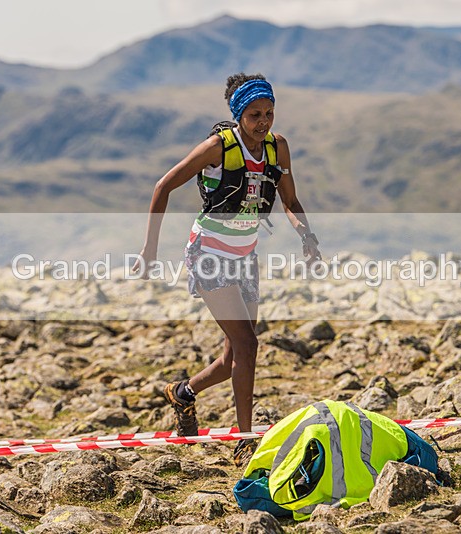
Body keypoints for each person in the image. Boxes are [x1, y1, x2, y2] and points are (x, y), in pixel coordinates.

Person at [133, 73, 321, 467]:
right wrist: (149, 250)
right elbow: (163, 186)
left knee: (233, 357)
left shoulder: (277, 148)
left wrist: (307, 235)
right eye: (255, 115)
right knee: (249, 345)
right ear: (239, 114)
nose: (264, 122)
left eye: (269, 113)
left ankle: (183, 391)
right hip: (209, 255)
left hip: (245, 257)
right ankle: (245, 440)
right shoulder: (218, 147)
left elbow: (290, 199)